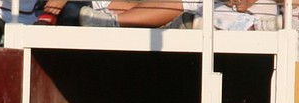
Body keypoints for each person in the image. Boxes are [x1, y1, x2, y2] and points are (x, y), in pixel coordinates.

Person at [35, 0, 282, 30]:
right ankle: (106, 17)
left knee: (188, 5)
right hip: (222, 12)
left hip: (264, 18)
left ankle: (112, 20)